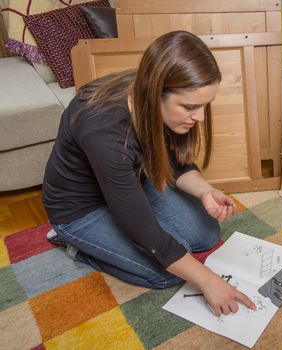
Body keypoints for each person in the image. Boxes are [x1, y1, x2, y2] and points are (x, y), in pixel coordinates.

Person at [42, 31, 255, 315]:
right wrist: (208, 281)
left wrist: (205, 191)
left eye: (205, 105)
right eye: (190, 107)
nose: (201, 117)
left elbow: (175, 161)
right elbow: (141, 228)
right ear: (156, 93)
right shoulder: (103, 128)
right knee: (167, 272)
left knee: (205, 234)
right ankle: (72, 242)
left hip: (132, 182)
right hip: (81, 209)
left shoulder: (152, 90)